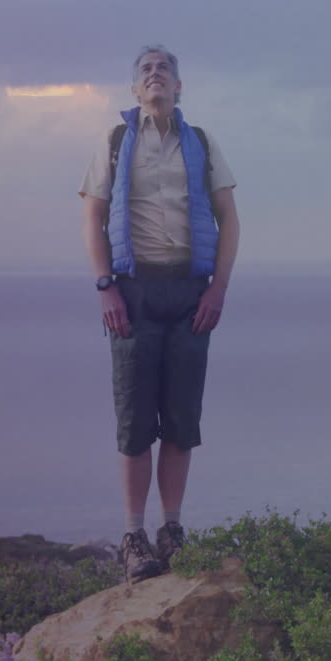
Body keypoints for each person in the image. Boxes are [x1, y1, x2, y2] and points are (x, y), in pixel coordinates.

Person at [77, 44, 240, 583]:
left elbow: (228, 219)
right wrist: (106, 288)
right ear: (134, 90)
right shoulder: (116, 140)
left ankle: (171, 531)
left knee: (181, 418)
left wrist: (218, 288)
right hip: (134, 292)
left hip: (190, 294)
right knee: (135, 421)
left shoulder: (202, 142)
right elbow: (93, 218)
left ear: (178, 87)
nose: (155, 75)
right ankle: (133, 536)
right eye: (146, 70)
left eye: (164, 69)